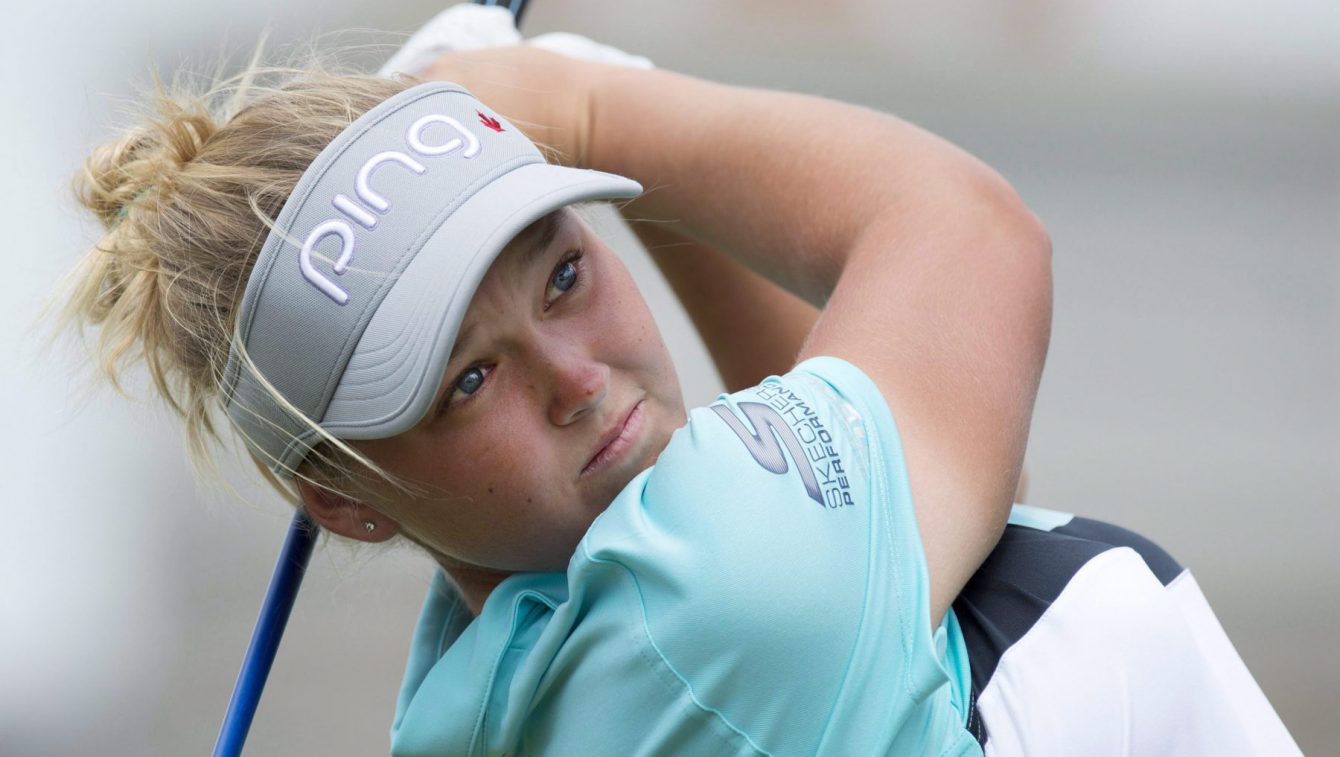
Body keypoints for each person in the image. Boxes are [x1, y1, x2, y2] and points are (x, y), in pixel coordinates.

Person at [58, 19, 1299, 756]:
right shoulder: (714, 618)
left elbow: (927, 466)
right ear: (340, 500)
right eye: (466, 379)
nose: (576, 378)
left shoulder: (506, 678)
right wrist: (586, 100)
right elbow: (966, 232)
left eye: (560, 272)